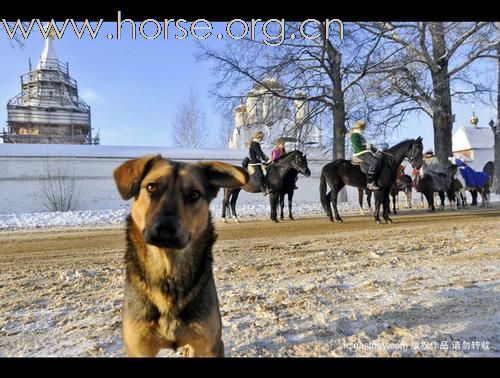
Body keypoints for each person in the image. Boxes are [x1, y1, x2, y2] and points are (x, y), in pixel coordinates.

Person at [350, 120, 381, 190]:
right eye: (363, 128)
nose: (363, 130)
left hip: (366, 152)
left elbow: (368, 145)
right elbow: (356, 145)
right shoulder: (355, 135)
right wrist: (365, 147)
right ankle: (370, 183)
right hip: (360, 153)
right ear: (360, 128)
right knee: (374, 162)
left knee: (378, 160)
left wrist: (376, 151)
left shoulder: (360, 136)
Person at [248, 131, 271, 196]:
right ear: (258, 137)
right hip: (254, 162)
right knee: (259, 175)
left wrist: (267, 159)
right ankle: (262, 188)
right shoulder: (254, 144)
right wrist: (266, 159)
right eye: (261, 138)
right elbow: (259, 153)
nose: (262, 139)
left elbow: (261, 153)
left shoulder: (257, 143)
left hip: (258, 162)